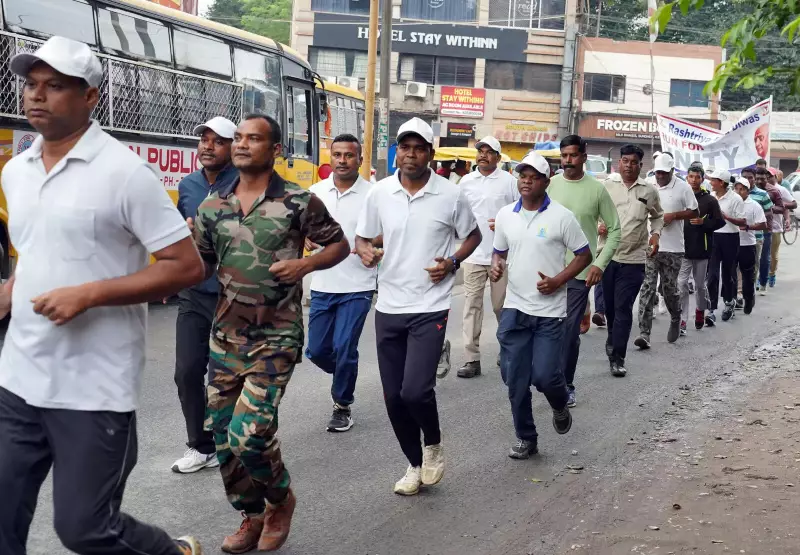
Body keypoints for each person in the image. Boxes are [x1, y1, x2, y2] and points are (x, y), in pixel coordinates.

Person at [0, 36, 204, 555]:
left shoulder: (125, 174)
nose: (36, 95)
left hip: (93, 387)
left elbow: (186, 266)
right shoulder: (16, 171)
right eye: (31, 84)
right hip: (18, 379)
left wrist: (89, 294)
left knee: (85, 529)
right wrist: (11, 290)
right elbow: (38, 252)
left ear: (90, 96)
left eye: (55, 85)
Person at [193, 114, 350, 553]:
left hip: (276, 337)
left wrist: (305, 264)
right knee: (223, 437)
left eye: (254, 139)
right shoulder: (212, 206)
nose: (242, 145)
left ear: (275, 149)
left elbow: (339, 245)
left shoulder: (298, 202)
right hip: (225, 339)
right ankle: (252, 514)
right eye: (239, 138)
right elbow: (199, 265)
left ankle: (280, 500)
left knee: (249, 434)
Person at [355, 118, 481, 496]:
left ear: (430, 153)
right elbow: (362, 238)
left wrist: (453, 263)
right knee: (393, 397)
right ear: (398, 152)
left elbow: (473, 236)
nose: (411, 154)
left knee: (415, 391)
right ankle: (413, 463)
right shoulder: (380, 193)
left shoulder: (450, 194)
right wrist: (366, 251)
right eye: (405, 147)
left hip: (430, 304)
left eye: (419, 148)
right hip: (389, 304)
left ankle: (434, 444)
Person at [490, 152, 589, 459]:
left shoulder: (562, 217)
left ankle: (559, 403)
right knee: (514, 379)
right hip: (515, 307)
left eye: (534, 177)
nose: (527, 182)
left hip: (549, 312)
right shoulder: (506, 215)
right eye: (523, 176)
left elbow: (584, 255)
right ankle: (526, 438)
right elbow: (499, 252)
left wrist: (558, 280)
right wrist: (496, 265)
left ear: (546, 182)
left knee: (545, 376)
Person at [171, 116, 239, 474]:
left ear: (233, 146)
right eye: (204, 140)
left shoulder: (245, 185)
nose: (208, 146)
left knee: (222, 378)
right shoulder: (188, 185)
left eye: (218, 141)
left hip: (233, 296)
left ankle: (231, 442)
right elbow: (180, 234)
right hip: (194, 294)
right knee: (186, 372)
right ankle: (200, 446)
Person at [305, 134, 376, 432]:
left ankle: (342, 405)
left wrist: (369, 244)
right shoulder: (315, 192)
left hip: (358, 285)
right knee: (317, 350)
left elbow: (388, 231)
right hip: (323, 283)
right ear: (330, 157)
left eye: (349, 155)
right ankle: (345, 373)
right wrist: (305, 237)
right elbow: (300, 228)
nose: (343, 160)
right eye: (337, 155)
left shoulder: (374, 194)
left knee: (345, 346)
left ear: (359, 159)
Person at [547, 135, 620, 407]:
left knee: (569, 332)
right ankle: (547, 376)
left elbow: (615, 230)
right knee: (547, 331)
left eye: (573, 155)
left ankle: (566, 384)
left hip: (579, 274)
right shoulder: (550, 185)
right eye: (564, 156)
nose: (568, 161)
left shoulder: (597, 190)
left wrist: (599, 264)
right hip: (547, 272)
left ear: (584, 157)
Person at [456, 136, 518, 379]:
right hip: (473, 255)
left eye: (489, 151)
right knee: (471, 306)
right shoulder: (466, 182)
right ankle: (471, 359)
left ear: (498, 157)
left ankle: (507, 349)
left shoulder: (509, 182)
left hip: (500, 256)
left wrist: (504, 224)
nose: (483, 154)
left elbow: (521, 212)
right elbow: (456, 212)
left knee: (501, 306)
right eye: (480, 150)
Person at [602, 145, 663, 376]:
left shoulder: (649, 191)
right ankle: (612, 339)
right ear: (619, 163)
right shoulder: (606, 187)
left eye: (634, 162)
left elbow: (658, 216)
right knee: (610, 308)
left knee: (623, 307)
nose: (629, 166)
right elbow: (593, 212)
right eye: (625, 161)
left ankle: (618, 357)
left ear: (640, 165)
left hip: (634, 259)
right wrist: (598, 225)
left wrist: (655, 235)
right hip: (607, 257)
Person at [634, 154, 698, 349]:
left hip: (673, 248)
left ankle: (676, 316)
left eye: (664, 173)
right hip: (651, 245)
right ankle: (644, 333)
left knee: (668, 289)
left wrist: (674, 216)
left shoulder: (683, 187)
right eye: (658, 172)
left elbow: (694, 211)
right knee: (647, 287)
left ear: (672, 171)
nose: (660, 176)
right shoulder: (648, 184)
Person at [679, 163, 725, 332]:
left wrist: (703, 222)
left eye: (697, 177)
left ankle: (700, 310)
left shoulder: (709, 200)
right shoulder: (681, 196)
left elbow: (720, 221)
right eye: (691, 176)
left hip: (702, 248)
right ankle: (682, 319)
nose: (693, 180)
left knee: (699, 285)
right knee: (681, 284)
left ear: (702, 179)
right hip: (682, 247)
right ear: (687, 177)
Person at [706, 169, 745, 323]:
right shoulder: (711, 197)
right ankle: (711, 310)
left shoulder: (735, 199)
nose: (711, 182)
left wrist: (725, 217)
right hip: (714, 237)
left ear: (721, 182)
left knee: (728, 274)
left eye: (713, 180)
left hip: (730, 237)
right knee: (712, 275)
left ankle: (729, 302)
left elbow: (742, 221)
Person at [734, 177, 767, 314]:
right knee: (731, 274)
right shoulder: (731, 203)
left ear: (747, 191)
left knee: (748, 275)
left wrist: (748, 227)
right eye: (736, 189)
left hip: (748, 244)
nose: (738, 192)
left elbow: (763, 224)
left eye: (741, 189)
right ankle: (732, 301)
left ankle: (748, 298)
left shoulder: (754, 205)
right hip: (731, 243)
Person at [737, 167, 772, 297]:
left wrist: (756, 221)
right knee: (737, 266)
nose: (748, 179)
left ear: (754, 178)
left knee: (753, 266)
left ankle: (749, 291)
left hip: (755, 237)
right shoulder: (735, 194)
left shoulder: (762, 194)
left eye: (750, 177)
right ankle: (740, 292)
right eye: (744, 177)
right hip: (737, 237)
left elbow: (769, 213)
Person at [767, 167, 797, 288]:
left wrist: (781, 205)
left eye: (770, 176)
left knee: (773, 255)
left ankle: (772, 274)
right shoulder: (761, 189)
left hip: (776, 226)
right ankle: (762, 277)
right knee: (762, 255)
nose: (768, 178)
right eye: (766, 176)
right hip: (762, 227)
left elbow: (793, 204)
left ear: (775, 177)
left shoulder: (781, 190)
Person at [753, 167, 778, 295]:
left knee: (764, 258)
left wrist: (761, 213)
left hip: (766, 229)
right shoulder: (746, 191)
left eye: (762, 179)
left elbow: (778, 208)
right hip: (750, 230)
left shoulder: (773, 191)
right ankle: (752, 283)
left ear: (767, 179)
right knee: (752, 259)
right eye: (757, 179)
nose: (759, 181)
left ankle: (763, 283)